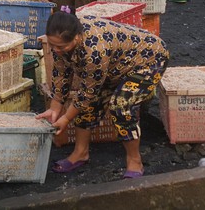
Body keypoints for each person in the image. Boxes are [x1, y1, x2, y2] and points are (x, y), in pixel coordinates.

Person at [37, 12, 169, 179]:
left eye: (61, 47)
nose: (56, 50)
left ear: (77, 37)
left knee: (121, 105)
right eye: (52, 45)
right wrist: (55, 108)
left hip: (149, 60)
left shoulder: (94, 51)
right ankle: (80, 153)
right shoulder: (60, 39)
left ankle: (135, 160)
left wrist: (66, 119)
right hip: (116, 64)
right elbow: (61, 72)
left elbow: (87, 93)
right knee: (87, 104)